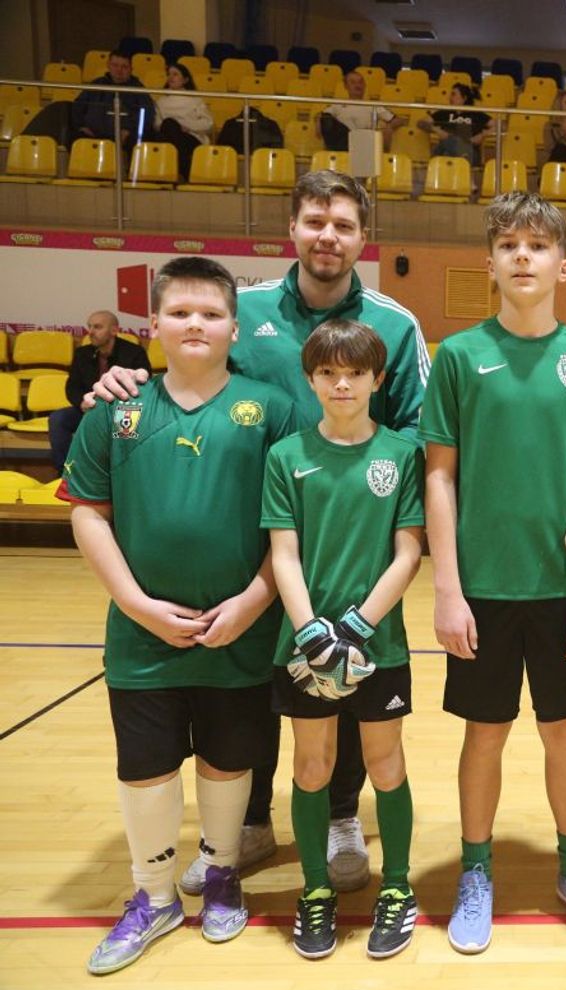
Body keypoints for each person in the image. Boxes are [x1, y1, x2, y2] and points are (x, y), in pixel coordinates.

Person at [91, 170, 430, 900]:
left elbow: (417, 433)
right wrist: (121, 381)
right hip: (259, 536)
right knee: (260, 683)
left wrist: (365, 491)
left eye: (343, 225)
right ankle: (248, 821)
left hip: (347, 540)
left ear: (363, 237)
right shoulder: (240, 309)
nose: (328, 236)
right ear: (292, 228)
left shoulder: (395, 324)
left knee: (341, 669)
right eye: (315, 221)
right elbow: (193, 373)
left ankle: (341, 814)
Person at [60, 256, 297, 975]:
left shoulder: (271, 410)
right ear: (154, 323)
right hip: (142, 637)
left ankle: (221, 875)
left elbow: (293, 527)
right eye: (181, 312)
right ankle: (155, 896)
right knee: (147, 766)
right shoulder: (116, 411)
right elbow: (88, 513)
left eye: (212, 313)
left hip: (240, 631)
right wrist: (135, 604)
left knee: (230, 759)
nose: (196, 324)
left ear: (235, 328)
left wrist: (253, 601)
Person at [422, 192, 566, 952]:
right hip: (482, 590)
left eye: (537, 245)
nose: (522, 256)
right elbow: (439, 477)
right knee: (485, 732)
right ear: (490, 264)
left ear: (563, 266)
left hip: (565, 590)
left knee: (563, 731)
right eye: (508, 244)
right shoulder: (458, 357)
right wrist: (447, 588)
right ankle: (476, 871)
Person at [264, 319, 423, 960]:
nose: (342, 384)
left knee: (386, 765)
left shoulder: (401, 455)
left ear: (377, 379)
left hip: (378, 644)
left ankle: (398, 887)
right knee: (312, 766)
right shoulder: (286, 456)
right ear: (310, 379)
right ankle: (316, 889)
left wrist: (355, 628)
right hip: (305, 649)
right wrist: (312, 634)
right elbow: (283, 554)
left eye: (356, 373)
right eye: (328, 373)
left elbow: (408, 553)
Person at [50, 310, 149, 473]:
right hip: (89, 409)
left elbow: (143, 388)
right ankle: (66, 471)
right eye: (89, 326)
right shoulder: (82, 353)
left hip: (122, 410)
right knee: (58, 419)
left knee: (127, 423)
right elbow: (72, 387)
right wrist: (81, 402)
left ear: (114, 330)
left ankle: (123, 472)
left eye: (97, 327)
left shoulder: (134, 352)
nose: (90, 332)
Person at [71, 50, 155, 150]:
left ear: (131, 69)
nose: (119, 70)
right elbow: (78, 106)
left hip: (126, 138)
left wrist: (131, 131)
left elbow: (147, 114)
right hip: (92, 134)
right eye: (115, 65)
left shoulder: (138, 89)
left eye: (124, 67)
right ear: (108, 65)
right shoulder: (96, 85)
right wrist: (81, 126)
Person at [153, 63, 212, 180]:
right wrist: (174, 127)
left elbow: (208, 123)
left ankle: (177, 172)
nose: (171, 77)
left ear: (185, 80)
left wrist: (186, 126)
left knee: (170, 125)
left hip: (190, 137)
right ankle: (183, 171)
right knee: (168, 124)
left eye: (175, 74)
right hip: (167, 136)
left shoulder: (196, 100)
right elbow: (157, 124)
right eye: (169, 74)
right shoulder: (161, 101)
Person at [320, 71, 395, 151]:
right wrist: (319, 120)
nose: (358, 85)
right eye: (353, 82)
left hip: (364, 141)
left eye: (360, 82)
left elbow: (396, 119)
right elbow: (324, 117)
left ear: (365, 85)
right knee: (326, 119)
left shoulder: (373, 105)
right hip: (342, 141)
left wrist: (389, 126)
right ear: (346, 86)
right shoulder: (338, 104)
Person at [421, 83, 488, 164]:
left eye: (453, 94)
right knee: (449, 141)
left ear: (464, 98)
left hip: (470, 150)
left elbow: (499, 126)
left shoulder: (476, 114)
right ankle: (459, 157)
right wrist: (437, 130)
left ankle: (459, 156)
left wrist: (482, 135)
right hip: (447, 148)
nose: (450, 98)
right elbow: (422, 123)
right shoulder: (444, 113)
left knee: (451, 142)